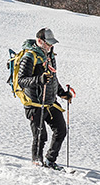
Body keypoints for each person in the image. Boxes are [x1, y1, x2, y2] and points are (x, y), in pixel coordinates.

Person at [12, 27, 73, 169]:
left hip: (50, 102)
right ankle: (37, 163)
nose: (51, 46)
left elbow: (53, 79)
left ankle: (50, 161)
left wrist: (62, 93)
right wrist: (39, 79)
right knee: (40, 136)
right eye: (48, 43)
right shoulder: (30, 57)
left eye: (52, 43)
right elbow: (22, 80)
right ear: (40, 41)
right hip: (34, 103)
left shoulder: (50, 56)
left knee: (61, 130)